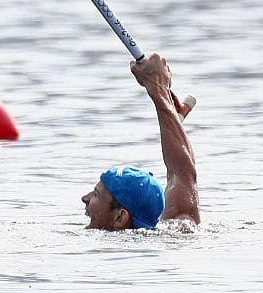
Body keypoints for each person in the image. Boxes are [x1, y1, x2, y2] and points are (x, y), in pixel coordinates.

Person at [81, 53, 200, 231]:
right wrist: (161, 95)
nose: (85, 198)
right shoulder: (175, 230)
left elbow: (183, 172)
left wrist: (159, 88)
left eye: (96, 195)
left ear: (120, 217)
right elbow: (182, 173)